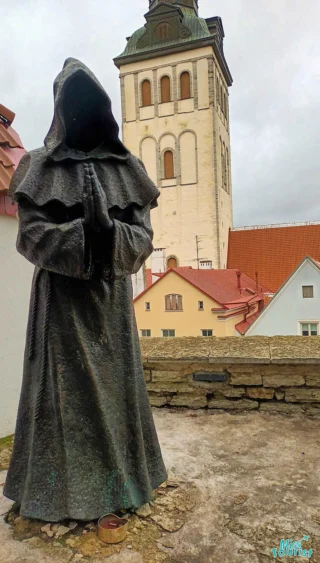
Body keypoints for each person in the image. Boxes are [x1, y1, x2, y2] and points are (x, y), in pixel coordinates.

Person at [4, 58, 167, 522]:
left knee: (117, 398)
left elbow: (143, 240)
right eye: (71, 103)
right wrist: (82, 234)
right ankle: (55, 495)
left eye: (87, 102)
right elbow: (30, 236)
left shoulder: (127, 169)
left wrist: (108, 235)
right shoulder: (37, 166)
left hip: (112, 307)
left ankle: (122, 483)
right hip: (61, 312)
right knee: (60, 405)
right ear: (59, 110)